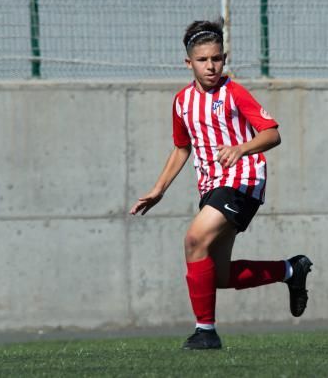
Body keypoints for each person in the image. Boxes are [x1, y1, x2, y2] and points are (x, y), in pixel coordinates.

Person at [131, 18, 312, 350]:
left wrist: (241, 148)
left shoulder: (234, 92)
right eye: (203, 60)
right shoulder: (182, 102)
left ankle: (205, 332)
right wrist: (159, 189)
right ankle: (291, 269)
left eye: (216, 58)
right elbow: (182, 147)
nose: (211, 66)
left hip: (243, 179)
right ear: (189, 63)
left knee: (193, 240)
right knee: (217, 277)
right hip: (212, 187)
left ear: (224, 58)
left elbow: (272, 133)